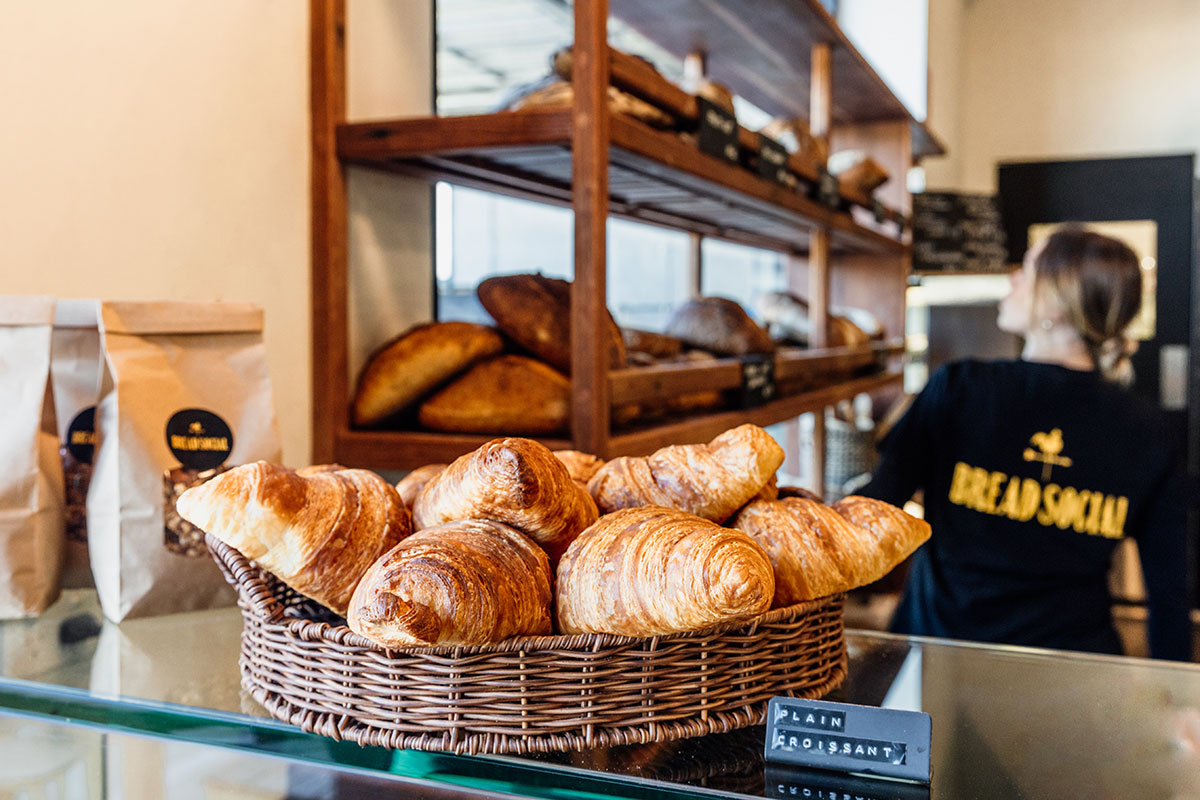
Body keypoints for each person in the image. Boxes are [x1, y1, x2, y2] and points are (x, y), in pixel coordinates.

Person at [863, 227, 1192, 660]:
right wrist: (1179, 699)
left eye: (1029, 267)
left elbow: (874, 510)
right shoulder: (1150, 429)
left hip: (938, 654)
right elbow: (1170, 590)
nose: (1012, 277)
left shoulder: (961, 388)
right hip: (1069, 669)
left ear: (1056, 302)